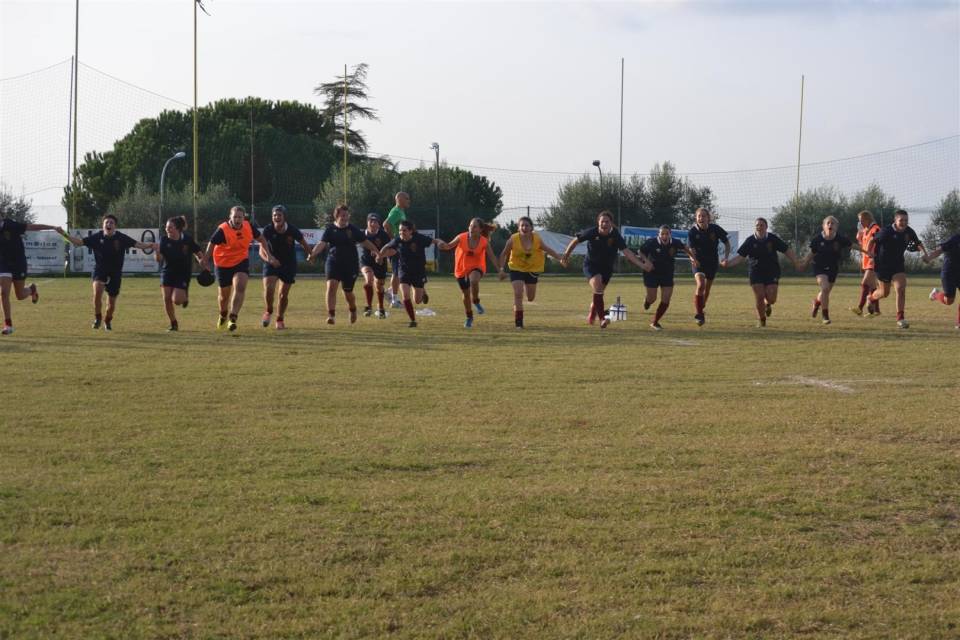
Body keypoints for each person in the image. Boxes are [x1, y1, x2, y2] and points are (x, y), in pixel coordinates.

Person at [560, 210, 652, 329]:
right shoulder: (591, 232)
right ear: (598, 222)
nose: (604, 224)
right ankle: (603, 319)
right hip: (591, 265)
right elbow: (575, 241)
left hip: (607, 268)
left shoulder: (615, 235)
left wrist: (642, 265)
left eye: (607, 222)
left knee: (599, 292)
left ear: (611, 223)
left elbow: (627, 252)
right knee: (598, 286)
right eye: (602, 222)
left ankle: (592, 315)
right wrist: (566, 256)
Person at [64, 214, 157, 331]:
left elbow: (138, 244)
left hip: (115, 273)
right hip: (100, 270)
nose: (109, 224)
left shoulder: (121, 238)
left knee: (111, 304)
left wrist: (151, 245)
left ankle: (107, 321)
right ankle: (98, 318)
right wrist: (63, 234)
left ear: (115, 226)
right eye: (106, 222)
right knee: (97, 293)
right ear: (103, 225)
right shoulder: (96, 237)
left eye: (111, 223)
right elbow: (78, 242)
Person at [307, 205, 381, 325]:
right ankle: (331, 315)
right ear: (336, 216)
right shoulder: (330, 229)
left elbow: (365, 242)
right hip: (333, 262)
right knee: (331, 286)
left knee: (348, 292)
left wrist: (377, 252)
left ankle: (352, 309)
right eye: (342, 216)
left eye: (347, 215)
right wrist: (313, 254)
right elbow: (322, 243)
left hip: (350, 264)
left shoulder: (353, 229)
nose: (345, 218)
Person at [203, 205, 273, 332]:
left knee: (240, 286)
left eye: (240, 217)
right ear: (230, 217)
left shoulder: (248, 226)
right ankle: (223, 314)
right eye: (235, 216)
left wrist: (268, 255)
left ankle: (233, 318)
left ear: (243, 217)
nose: (237, 219)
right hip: (222, 263)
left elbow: (262, 239)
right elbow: (212, 243)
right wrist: (206, 259)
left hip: (240, 261)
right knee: (224, 297)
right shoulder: (223, 230)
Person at [720, 217, 799, 327]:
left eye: (762, 225)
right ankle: (762, 320)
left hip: (772, 271)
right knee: (759, 296)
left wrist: (796, 262)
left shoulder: (772, 239)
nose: (759, 227)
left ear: (766, 227)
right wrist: (728, 263)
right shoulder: (750, 241)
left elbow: (787, 250)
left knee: (772, 299)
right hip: (755, 271)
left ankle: (768, 304)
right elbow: (740, 257)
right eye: (757, 225)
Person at [378, 219, 449, 328]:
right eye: (400, 230)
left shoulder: (419, 238)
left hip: (418, 272)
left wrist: (440, 243)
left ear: (411, 231)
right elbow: (387, 246)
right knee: (406, 296)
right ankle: (412, 320)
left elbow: (435, 241)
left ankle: (423, 292)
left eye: (404, 230)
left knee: (417, 300)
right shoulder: (398, 240)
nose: (401, 233)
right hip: (404, 271)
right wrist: (380, 256)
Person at [0, 217, 64, 335]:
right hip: (3, 264)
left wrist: (52, 227)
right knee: (4, 293)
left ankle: (31, 289)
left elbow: (32, 227)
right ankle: (8, 325)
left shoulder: (10, 224)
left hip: (18, 263)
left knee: (19, 295)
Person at [865, 209, 928, 329]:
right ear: (895, 220)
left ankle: (900, 318)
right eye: (901, 220)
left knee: (901, 289)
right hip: (882, 265)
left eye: (906, 220)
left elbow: (918, 243)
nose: (903, 223)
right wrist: (869, 253)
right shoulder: (886, 231)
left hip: (898, 265)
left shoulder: (909, 231)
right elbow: (872, 240)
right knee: (885, 293)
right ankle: (871, 297)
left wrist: (924, 253)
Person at [497, 216, 563, 328]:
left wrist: (560, 258)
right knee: (518, 294)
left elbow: (548, 249)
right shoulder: (513, 239)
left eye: (527, 225)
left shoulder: (537, 239)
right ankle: (519, 323)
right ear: (518, 228)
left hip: (532, 269)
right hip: (516, 268)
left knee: (530, 298)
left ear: (531, 228)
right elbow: (503, 254)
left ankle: (518, 301)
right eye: (522, 225)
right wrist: (502, 269)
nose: (524, 227)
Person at [797, 216, 859, 325]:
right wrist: (804, 264)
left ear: (836, 226)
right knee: (825, 289)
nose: (830, 225)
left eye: (833, 223)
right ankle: (825, 316)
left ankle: (817, 302)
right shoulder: (817, 239)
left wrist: (867, 252)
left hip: (833, 268)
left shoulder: (840, 239)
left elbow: (852, 245)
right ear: (824, 226)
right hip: (819, 267)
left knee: (825, 292)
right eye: (828, 223)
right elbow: (812, 253)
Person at [259, 204, 311, 330]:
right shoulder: (267, 230)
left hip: (288, 264)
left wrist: (311, 255)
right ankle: (268, 311)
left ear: (284, 217)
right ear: (272, 217)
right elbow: (261, 251)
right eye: (274, 215)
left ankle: (280, 319)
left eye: (279, 215)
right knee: (269, 289)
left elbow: (304, 244)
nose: (277, 217)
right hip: (271, 262)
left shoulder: (292, 230)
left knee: (283, 295)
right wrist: (270, 260)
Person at [441, 217, 500, 328]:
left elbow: (492, 257)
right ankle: (469, 317)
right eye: (470, 225)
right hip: (461, 268)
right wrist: (441, 245)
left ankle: (476, 301)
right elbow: (448, 246)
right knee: (466, 295)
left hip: (477, 266)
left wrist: (500, 271)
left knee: (473, 281)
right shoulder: (461, 237)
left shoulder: (484, 241)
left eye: (474, 226)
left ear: (481, 230)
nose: (471, 228)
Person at [638, 225, 698, 330]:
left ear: (670, 234)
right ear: (659, 234)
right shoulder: (652, 242)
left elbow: (685, 248)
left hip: (667, 273)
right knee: (652, 299)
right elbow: (640, 251)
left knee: (666, 299)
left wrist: (692, 258)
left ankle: (655, 322)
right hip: (652, 273)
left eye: (667, 233)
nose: (664, 236)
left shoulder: (675, 242)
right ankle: (647, 301)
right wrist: (646, 261)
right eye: (662, 234)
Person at [155, 215, 204, 331]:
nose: (167, 229)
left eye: (170, 227)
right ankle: (173, 323)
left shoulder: (187, 239)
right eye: (166, 227)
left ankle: (184, 296)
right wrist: (157, 252)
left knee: (177, 301)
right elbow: (159, 259)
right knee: (167, 298)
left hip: (183, 273)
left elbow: (198, 253)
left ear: (178, 229)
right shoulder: (164, 240)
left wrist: (202, 262)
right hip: (167, 272)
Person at [686, 207, 730, 326]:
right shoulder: (692, 232)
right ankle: (699, 314)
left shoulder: (715, 229)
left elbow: (727, 243)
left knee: (707, 289)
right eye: (699, 216)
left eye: (703, 216)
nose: (701, 218)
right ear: (696, 218)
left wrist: (725, 257)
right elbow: (690, 249)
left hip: (712, 262)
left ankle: (701, 308)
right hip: (698, 262)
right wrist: (693, 259)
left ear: (708, 218)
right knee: (701, 285)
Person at [383, 191, 412, 308]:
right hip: (396, 247)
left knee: (401, 271)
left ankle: (390, 292)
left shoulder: (401, 211)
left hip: (400, 246)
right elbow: (386, 224)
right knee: (396, 272)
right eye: (407, 198)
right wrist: (393, 239)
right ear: (399, 199)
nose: (409, 200)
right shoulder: (396, 211)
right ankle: (394, 300)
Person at [925, 232, 960, 330]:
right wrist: (929, 258)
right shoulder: (955, 239)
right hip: (949, 272)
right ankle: (935, 294)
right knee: (949, 301)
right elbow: (940, 250)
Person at [851, 210, 883, 316]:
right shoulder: (865, 230)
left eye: (861, 220)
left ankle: (860, 307)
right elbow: (862, 244)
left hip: (873, 260)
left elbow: (878, 243)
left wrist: (874, 256)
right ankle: (877, 310)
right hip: (867, 260)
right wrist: (860, 236)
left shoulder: (876, 229)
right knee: (872, 286)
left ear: (867, 219)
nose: (860, 223)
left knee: (864, 283)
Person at [360, 212, 391, 319]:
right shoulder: (361, 234)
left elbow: (392, 250)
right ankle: (368, 306)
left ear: (379, 224)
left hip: (380, 264)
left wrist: (381, 255)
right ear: (367, 222)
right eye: (370, 221)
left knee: (379, 286)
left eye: (375, 222)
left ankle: (381, 308)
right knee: (369, 281)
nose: (373, 224)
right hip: (366, 262)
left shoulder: (383, 235)